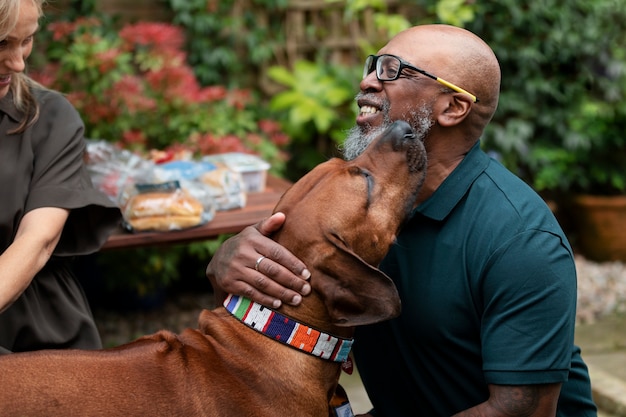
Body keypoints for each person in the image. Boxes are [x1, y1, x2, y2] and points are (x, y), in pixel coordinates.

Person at [206, 24, 598, 416]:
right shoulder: (361, 204)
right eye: (373, 64)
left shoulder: (521, 240)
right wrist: (229, 262)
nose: (367, 80)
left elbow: (520, 413)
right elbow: (286, 308)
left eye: (393, 70)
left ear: (453, 107)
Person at [0, 0, 122, 353]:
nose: (18, 62)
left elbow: (37, 241)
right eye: (1, 43)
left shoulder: (50, 118)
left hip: (34, 337)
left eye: (26, 40)